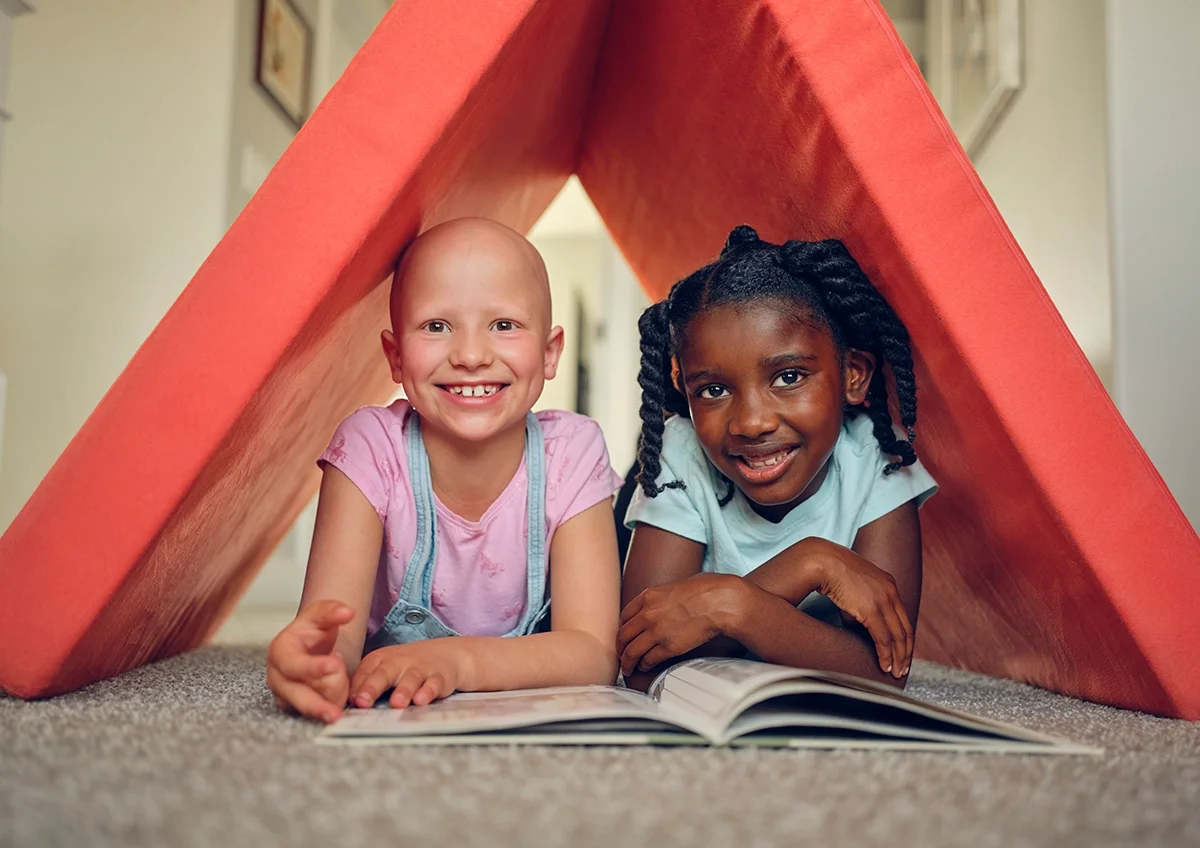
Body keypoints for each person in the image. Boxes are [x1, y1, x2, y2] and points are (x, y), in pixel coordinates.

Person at [267, 218, 624, 722]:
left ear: (550, 353)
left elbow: (592, 652)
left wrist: (458, 662)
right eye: (437, 326)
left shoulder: (573, 452)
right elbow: (334, 632)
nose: (471, 356)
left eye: (504, 325)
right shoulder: (370, 447)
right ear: (395, 356)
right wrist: (314, 666)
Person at [618, 225, 937, 691]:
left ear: (853, 375)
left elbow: (883, 675)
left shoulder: (878, 460)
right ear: (683, 387)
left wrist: (730, 606)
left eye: (788, 377)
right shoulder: (681, 453)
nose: (751, 422)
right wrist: (810, 564)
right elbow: (641, 664)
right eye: (713, 389)